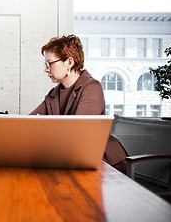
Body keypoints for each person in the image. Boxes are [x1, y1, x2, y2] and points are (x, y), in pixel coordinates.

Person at [29, 34, 128, 173]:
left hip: (106, 165)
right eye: (45, 64)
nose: (46, 69)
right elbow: (28, 125)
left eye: (50, 64)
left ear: (69, 62)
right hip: (73, 161)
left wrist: (45, 130)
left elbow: (78, 134)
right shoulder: (53, 95)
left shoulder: (92, 87)